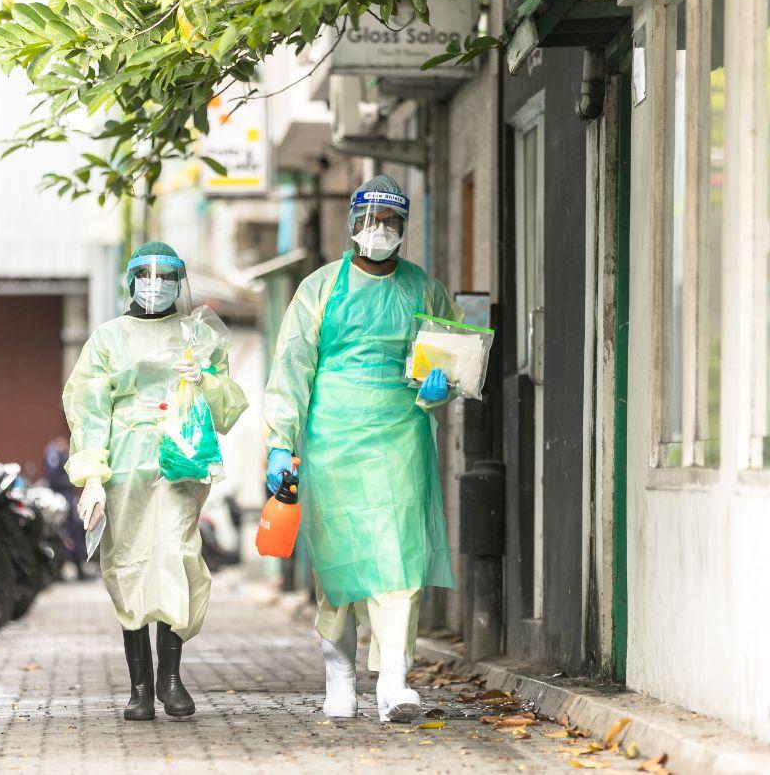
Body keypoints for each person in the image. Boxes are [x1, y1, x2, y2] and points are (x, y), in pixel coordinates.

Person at [263, 175, 460, 723]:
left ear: (404, 228)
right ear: (354, 224)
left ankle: (394, 681)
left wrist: (439, 388)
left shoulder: (426, 291)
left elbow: (451, 355)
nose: (380, 230)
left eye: (391, 222)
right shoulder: (319, 289)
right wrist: (280, 442)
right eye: (372, 220)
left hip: (401, 436)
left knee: (400, 560)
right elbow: (292, 367)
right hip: (333, 437)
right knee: (339, 564)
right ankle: (340, 675)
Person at [63, 242, 248, 722]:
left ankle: (171, 679)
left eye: (166, 276)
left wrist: (206, 379)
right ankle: (140, 688)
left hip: (180, 460)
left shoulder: (197, 334)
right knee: (128, 565)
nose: (155, 284)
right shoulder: (107, 338)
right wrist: (92, 477)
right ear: (130, 281)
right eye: (146, 275)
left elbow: (228, 406)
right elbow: (88, 410)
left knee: (175, 555)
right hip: (124, 465)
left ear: (179, 281)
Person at [44, 435, 91, 578]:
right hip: (62, 496)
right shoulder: (54, 454)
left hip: (66, 496)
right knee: (65, 532)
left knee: (74, 531)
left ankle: (77, 567)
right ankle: (63, 570)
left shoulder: (57, 454)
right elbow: (54, 477)